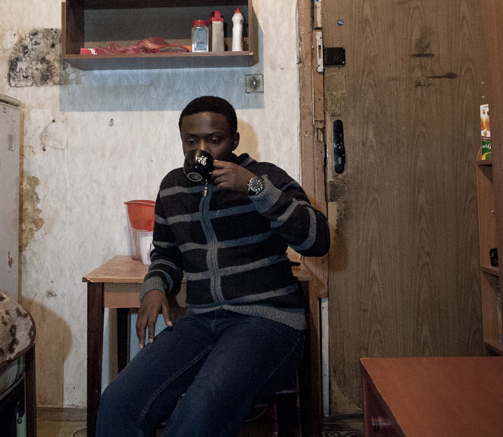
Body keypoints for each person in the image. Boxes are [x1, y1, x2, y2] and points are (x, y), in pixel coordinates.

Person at [97, 96, 330, 437]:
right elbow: (166, 254)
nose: (202, 149)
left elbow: (317, 241)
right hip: (202, 321)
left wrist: (252, 187)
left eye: (215, 140)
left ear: (234, 141)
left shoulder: (264, 177)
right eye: (192, 141)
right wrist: (155, 287)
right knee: (120, 400)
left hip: (268, 321)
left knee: (204, 402)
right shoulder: (173, 187)